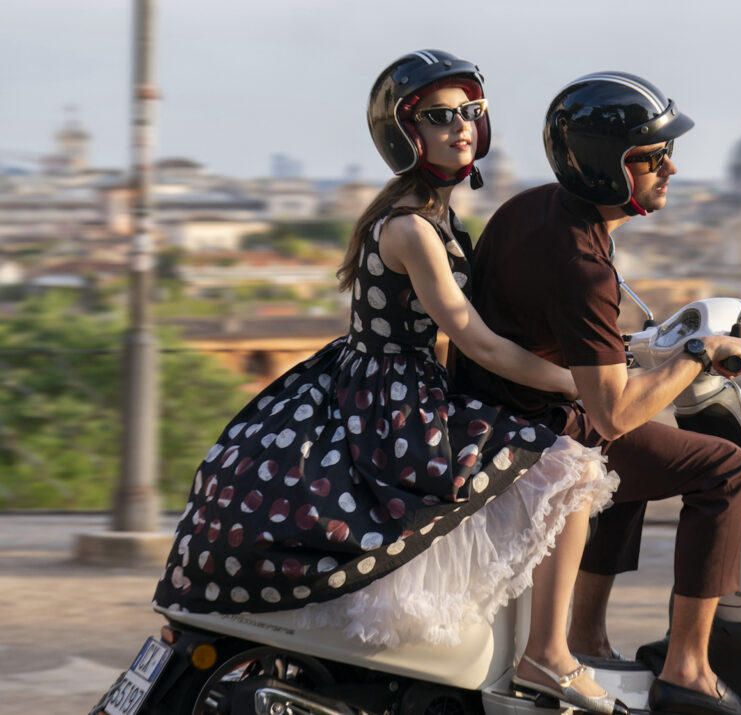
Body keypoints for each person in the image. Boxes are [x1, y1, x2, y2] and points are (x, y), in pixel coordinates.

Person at [153, 50, 625, 714]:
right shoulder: (411, 227)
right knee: (569, 468)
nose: (461, 127)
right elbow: (476, 339)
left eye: (471, 113)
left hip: (382, 385)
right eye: (440, 117)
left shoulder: (428, 216)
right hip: (397, 401)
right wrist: (577, 383)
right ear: (408, 134)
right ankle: (549, 654)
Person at [451, 73, 741, 715]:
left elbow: (554, 334)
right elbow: (612, 409)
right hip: (530, 430)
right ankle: (688, 667)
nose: (672, 168)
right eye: (654, 158)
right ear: (612, 167)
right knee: (722, 468)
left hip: (491, 410)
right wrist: (696, 354)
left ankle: (587, 633)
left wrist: (636, 348)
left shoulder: (533, 208)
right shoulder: (582, 260)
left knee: (640, 455)